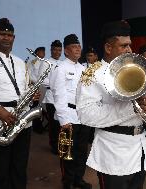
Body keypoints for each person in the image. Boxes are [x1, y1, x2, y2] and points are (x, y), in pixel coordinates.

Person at [76, 20, 146, 189]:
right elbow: (85, 114)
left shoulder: (135, 66)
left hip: (139, 148)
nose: (130, 50)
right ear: (108, 48)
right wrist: (132, 108)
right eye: (123, 46)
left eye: (130, 45)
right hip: (113, 153)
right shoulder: (92, 73)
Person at [0, 18, 36, 189]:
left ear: (14, 38)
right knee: (2, 170)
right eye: (2, 34)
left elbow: (21, 89)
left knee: (20, 166)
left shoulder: (20, 62)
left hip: (22, 120)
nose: (6, 38)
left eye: (10, 35)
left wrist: (31, 94)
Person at [49, 34, 92, 189]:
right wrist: (63, 120)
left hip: (83, 116)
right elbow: (58, 95)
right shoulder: (60, 68)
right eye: (74, 47)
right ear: (66, 51)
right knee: (67, 152)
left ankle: (78, 179)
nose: (78, 49)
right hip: (68, 116)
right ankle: (67, 182)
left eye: (79, 46)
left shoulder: (83, 69)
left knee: (81, 151)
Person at [38, 40, 62, 154]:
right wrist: (56, 83)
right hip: (51, 97)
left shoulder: (63, 63)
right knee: (53, 124)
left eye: (59, 50)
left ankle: (61, 144)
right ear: (51, 50)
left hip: (62, 98)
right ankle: (54, 145)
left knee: (62, 122)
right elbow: (42, 79)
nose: (57, 52)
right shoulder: (46, 63)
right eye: (55, 49)